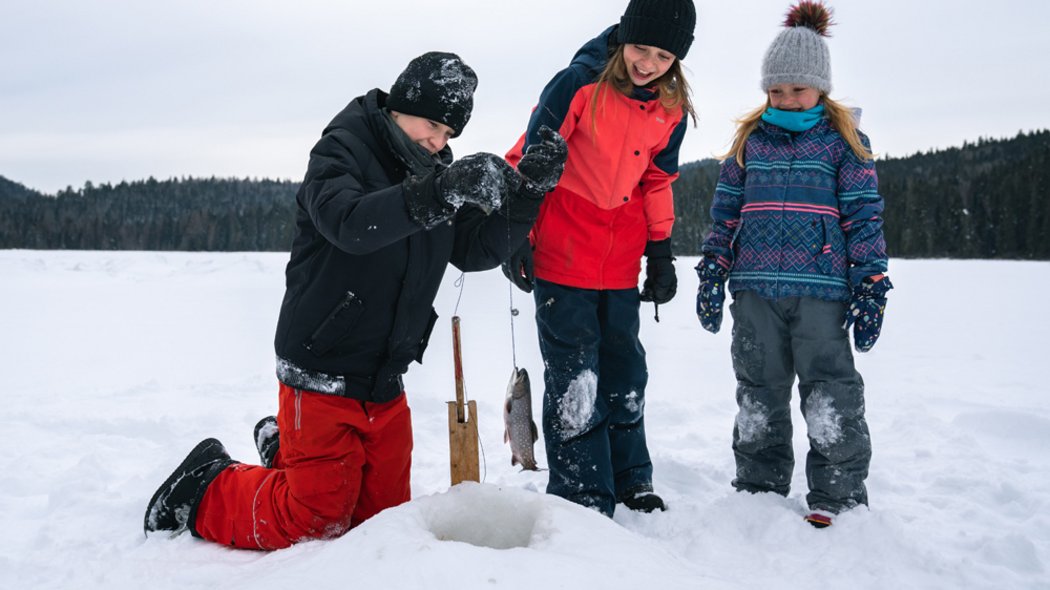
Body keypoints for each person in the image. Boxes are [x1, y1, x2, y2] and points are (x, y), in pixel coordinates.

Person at [143, 51, 568, 549]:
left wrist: (530, 194)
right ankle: (202, 488)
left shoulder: (431, 170)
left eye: (449, 135)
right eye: (431, 124)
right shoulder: (342, 150)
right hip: (322, 367)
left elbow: (474, 250)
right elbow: (350, 225)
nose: (438, 142)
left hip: (385, 379)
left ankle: (286, 451)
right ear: (399, 106)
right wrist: (443, 189)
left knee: (379, 527)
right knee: (314, 522)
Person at [695, 1, 891, 528]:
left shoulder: (845, 142)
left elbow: (863, 217)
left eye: (796, 89)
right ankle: (758, 485)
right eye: (775, 91)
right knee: (758, 388)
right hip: (755, 287)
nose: (784, 99)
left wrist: (870, 280)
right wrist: (714, 266)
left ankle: (839, 492)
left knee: (830, 391)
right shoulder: (749, 142)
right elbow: (725, 211)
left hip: (822, 290)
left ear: (820, 87)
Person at [501, 0, 697, 517]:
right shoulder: (579, 85)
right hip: (563, 252)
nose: (648, 62)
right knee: (574, 377)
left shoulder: (670, 108)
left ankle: (630, 478)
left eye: (662, 55)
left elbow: (657, 180)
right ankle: (582, 494)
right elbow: (529, 156)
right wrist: (516, 228)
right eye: (640, 47)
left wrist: (661, 252)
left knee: (625, 370)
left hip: (621, 259)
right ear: (623, 37)